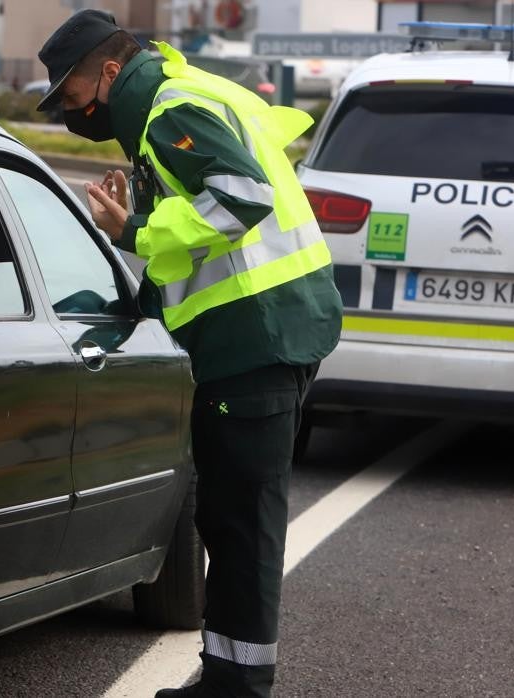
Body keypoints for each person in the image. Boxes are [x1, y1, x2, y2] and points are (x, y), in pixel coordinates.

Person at [36, 10, 343, 698]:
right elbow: (202, 244)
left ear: (111, 71)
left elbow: (244, 197)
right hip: (257, 332)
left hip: (258, 336)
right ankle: (229, 674)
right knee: (231, 519)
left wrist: (136, 227)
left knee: (242, 524)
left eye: (72, 94)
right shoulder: (178, 97)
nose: (70, 110)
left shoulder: (172, 107)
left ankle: (239, 687)